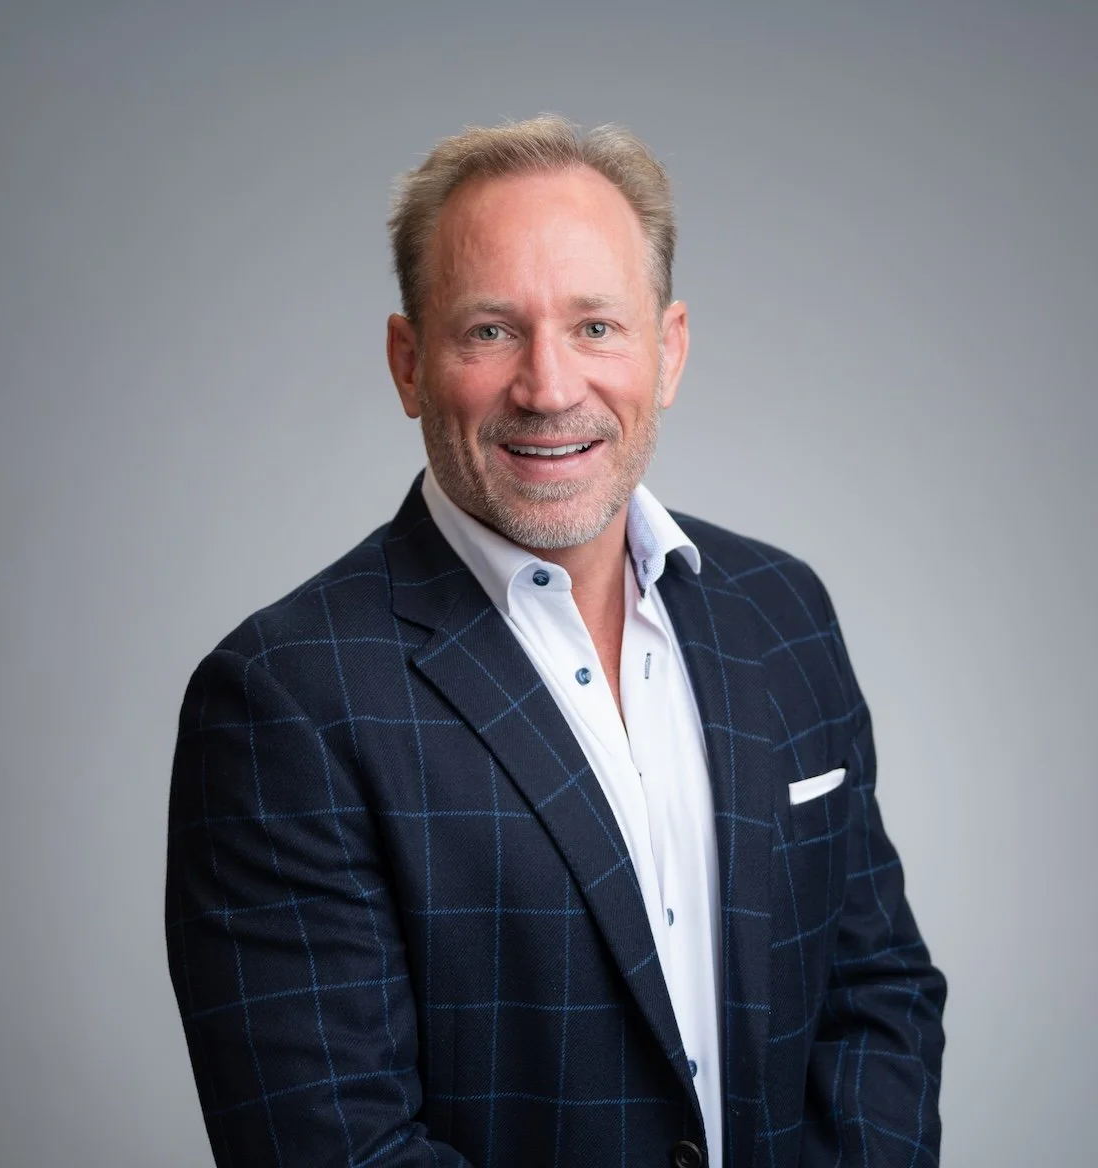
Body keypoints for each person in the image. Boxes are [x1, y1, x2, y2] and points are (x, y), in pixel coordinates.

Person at [165, 116, 946, 1168]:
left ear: (666, 350)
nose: (548, 386)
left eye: (594, 326)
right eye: (489, 329)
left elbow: (878, 997)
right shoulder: (284, 700)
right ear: (408, 363)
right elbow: (336, 1148)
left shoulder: (781, 610)